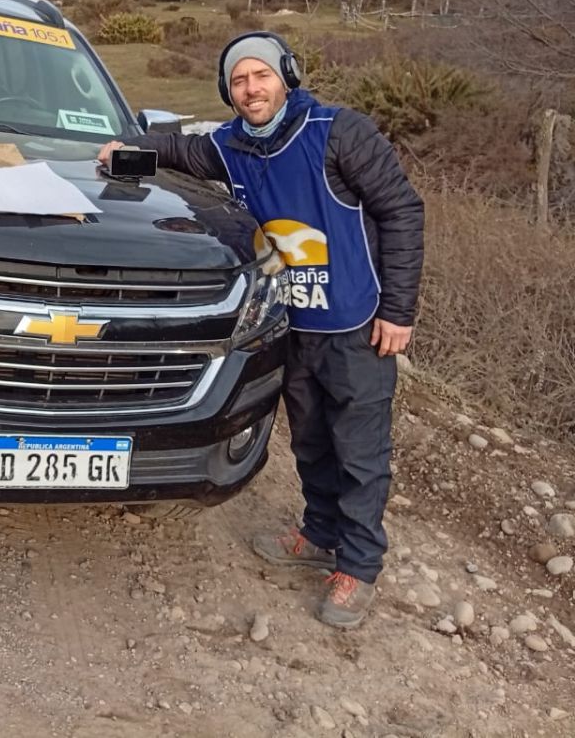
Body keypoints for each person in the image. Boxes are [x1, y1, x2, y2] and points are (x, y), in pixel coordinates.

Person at [99, 31, 424, 629]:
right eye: (239, 81)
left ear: (287, 76)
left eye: (261, 76)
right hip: (289, 323)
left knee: (360, 448)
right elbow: (180, 150)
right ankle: (320, 534)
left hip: (356, 322)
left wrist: (399, 312)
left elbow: (402, 211)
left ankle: (358, 565)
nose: (252, 89)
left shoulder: (339, 132)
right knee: (309, 439)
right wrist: (126, 146)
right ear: (229, 91)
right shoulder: (231, 146)